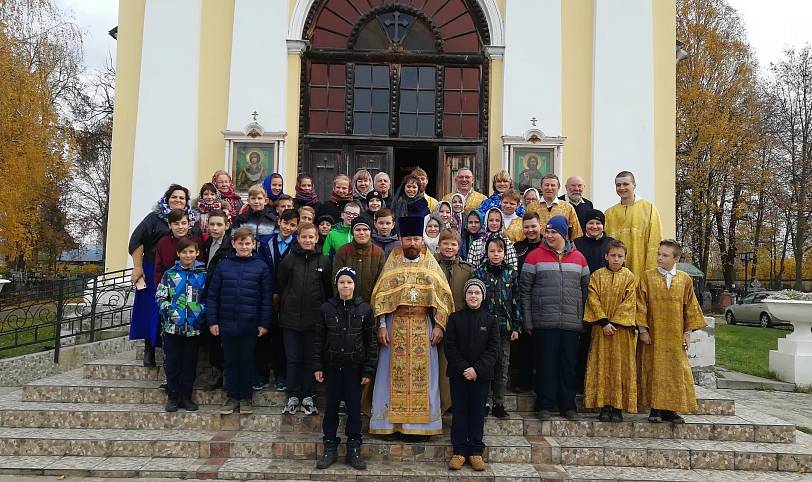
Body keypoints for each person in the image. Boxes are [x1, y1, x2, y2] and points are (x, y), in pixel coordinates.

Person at [369, 216, 454, 437]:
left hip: (423, 326)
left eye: (416, 239)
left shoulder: (430, 264)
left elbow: (444, 298)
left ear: (422, 240)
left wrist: (439, 326)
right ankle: (389, 425)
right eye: (408, 239)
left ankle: (420, 427)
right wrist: (380, 325)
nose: (412, 244)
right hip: (393, 326)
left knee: (426, 377)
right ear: (400, 239)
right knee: (389, 376)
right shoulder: (392, 262)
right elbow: (380, 297)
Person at [520, 216, 590, 421]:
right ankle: (544, 404)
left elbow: (586, 291)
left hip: (571, 322)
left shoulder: (580, 258)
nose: (549, 236)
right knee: (545, 364)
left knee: (568, 364)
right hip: (544, 321)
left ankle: (567, 405)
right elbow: (525, 291)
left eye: (554, 232)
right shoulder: (534, 257)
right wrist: (528, 319)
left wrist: (583, 318)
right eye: (547, 232)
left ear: (564, 234)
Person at [313, 267, 377, 471]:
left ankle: (354, 448)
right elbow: (318, 340)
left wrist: (367, 370)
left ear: (355, 285)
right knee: (331, 409)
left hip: (355, 369)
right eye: (342, 282)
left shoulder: (365, 309)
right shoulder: (326, 308)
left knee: (354, 411)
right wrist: (317, 365)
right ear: (336, 285)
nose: (346, 286)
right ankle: (330, 446)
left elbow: (371, 342)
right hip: (332, 368)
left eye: (349, 282)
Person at [637, 239, 706, 424]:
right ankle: (655, 409)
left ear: (676, 258)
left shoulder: (684, 279)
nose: (659, 257)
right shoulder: (647, 277)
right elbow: (640, 305)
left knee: (676, 371)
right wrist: (643, 329)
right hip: (655, 334)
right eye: (658, 254)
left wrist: (687, 332)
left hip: (676, 334)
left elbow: (690, 307)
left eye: (664, 255)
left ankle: (671, 409)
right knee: (655, 369)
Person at [207, 227, 273, 415]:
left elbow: (265, 299)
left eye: (248, 243)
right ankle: (232, 396)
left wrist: (264, 323)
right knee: (230, 361)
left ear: (253, 244)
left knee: (246, 360)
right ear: (234, 244)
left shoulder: (261, 267)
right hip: (226, 324)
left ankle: (245, 397)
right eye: (240, 243)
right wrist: (213, 321)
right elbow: (213, 295)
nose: (244, 246)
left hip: (250, 324)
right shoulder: (223, 265)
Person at [129, 184, 191, 367]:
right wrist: (137, 267)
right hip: (153, 269)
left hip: (181, 272)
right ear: (167, 199)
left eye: (182, 198)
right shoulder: (154, 219)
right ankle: (150, 349)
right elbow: (136, 241)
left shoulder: (190, 220)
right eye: (174, 197)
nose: (178, 200)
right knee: (153, 309)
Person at [277, 222, 333, 416]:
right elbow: (281, 287)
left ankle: (308, 396)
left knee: (311, 359)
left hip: (315, 321)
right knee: (293, 359)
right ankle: (293, 396)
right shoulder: (289, 261)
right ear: (298, 238)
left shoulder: (324, 262)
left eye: (311, 237)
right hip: (290, 320)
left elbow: (328, 290)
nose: (307, 240)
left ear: (317, 238)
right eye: (304, 237)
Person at [444, 278, 499, 472]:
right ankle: (459, 451)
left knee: (477, 413)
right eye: (470, 292)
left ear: (483, 296)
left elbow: (493, 350)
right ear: (465, 295)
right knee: (459, 412)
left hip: (481, 377)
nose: (473, 296)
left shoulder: (491, 320)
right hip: (459, 376)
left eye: (477, 293)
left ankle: (475, 451)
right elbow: (449, 347)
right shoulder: (455, 318)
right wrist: (464, 368)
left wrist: (477, 369)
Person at [583, 239, 638, 422]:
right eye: (612, 255)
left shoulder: (630, 277)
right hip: (601, 330)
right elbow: (593, 298)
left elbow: (630, 302)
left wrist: (615, 323)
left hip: (621, 332)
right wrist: (604, 322)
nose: (616, 259)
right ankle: (604, 405)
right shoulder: (597, 276)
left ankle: (618, 406)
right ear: (606, 256)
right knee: (602, 366)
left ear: (625, 258)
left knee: (620, 368)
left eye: (620, 256)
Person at [156, 236, 206, 412]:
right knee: (172, 363)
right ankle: (172, 396)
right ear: (178, 253)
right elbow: (160, 297)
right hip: (172, 327)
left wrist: (200, 312)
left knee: (189, 363)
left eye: (191, 251)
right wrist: (171, 312)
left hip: (193, 328)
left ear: (197, 253)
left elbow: (208, 298)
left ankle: (186, 396)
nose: (188, 255)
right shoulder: (169, 274)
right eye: (184, 252)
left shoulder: (202, 275)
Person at [473, 237, 521, 419]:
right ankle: (483, 401)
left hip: (504, 328)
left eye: (499, 251)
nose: (495, 254)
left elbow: (516, 301)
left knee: (503, 365)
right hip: (483, 328)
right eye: (492, 251)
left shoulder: (511, 273)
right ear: (487, 252)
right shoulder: (479, 273)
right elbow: (474, 300)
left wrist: (516, 326)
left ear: (504, 253)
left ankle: (498, 403)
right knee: (484, 365)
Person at [255, 208, 300, 391]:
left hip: (289, 298)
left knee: (283, 339)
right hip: (265, 296)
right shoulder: (265, 243)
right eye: (285, 223)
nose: (288, 227)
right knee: (263, 336)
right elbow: (261, 268)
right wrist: (272, 290)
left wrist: (282, 292)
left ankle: (282, 375)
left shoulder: (298, 245)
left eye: (292, 225)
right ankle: (261, 374)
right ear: (279, 222)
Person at [604, 171, 663, 278]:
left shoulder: (648, 208)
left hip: (640, 270)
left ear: (634, 185)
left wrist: (651, 272)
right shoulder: (609, 213)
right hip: (615, 274)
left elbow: (654, 242)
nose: (621, 188)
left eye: (625, 184)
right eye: (618, 185)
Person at [200, 209, 231, 390]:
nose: (215, 228)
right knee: (211, 336)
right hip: (208, 296)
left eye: (219, 224)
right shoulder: (205, 245)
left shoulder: (230, 246)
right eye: (212, 224)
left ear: (226, 225)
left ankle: (227, 373)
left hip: (225, 297)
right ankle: (216, 371)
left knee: (225, 337)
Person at [512, 212, 543, 393]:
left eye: (533, 226)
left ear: (540, 226)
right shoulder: (518, 247)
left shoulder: (548, 246)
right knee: (524, 343)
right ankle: (524, 381)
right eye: (527, 227)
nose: (530, 230)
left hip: (542, 300)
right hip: (522, 298)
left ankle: (539, 381)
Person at [332, 214, 385, 304]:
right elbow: (335, 279)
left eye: (365, 229)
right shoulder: (342, 251)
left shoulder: (378, 253)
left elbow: (382, 282)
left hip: (370, 305)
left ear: (370, 232)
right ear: (352, 232)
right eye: (358, 230)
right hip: (347, 304)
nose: (361, 233)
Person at [153, 209, 203, 287]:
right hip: (169, 287)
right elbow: (158, 268)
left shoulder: (196, 241)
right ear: (170, 225)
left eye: (184, 223)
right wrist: (160, 288)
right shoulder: (163, 242)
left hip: (193, 287)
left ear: (188, 224)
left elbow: (201, 265)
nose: (180, 227)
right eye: (176, 224)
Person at [525, 174, 583, 240]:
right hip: (537, 247)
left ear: (558, 188)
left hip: (561, 248)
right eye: (546, 185)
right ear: (541, 187)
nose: (549, 188)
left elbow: (576, 233)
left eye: (553, 185)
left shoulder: (567, 207)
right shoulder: (531, 207)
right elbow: (525, 229)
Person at [435, 228, 475, 311]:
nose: (449, 247)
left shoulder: (467, 270)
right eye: (445, 243)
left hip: (459, 316)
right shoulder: (432, 266)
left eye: (453, 244)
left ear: (459, 246)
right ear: (439, 244)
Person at [574, 209, 615, 274]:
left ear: (603, 225)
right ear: (585, 225)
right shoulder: (576, 244)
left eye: (598, 223)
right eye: (591, 223)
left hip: (606, 283)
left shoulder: (612, 243)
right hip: (583, 282)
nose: (594, 226)